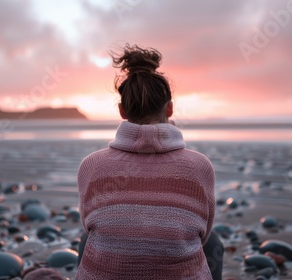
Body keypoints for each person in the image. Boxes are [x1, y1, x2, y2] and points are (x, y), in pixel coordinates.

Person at [76, 44, 223, 280]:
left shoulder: (91, 165)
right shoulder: (199, 166)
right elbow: (202, 233)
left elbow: (89, 223)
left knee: (88, 238)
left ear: (122, 111)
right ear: (171, 108)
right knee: (213, 241)